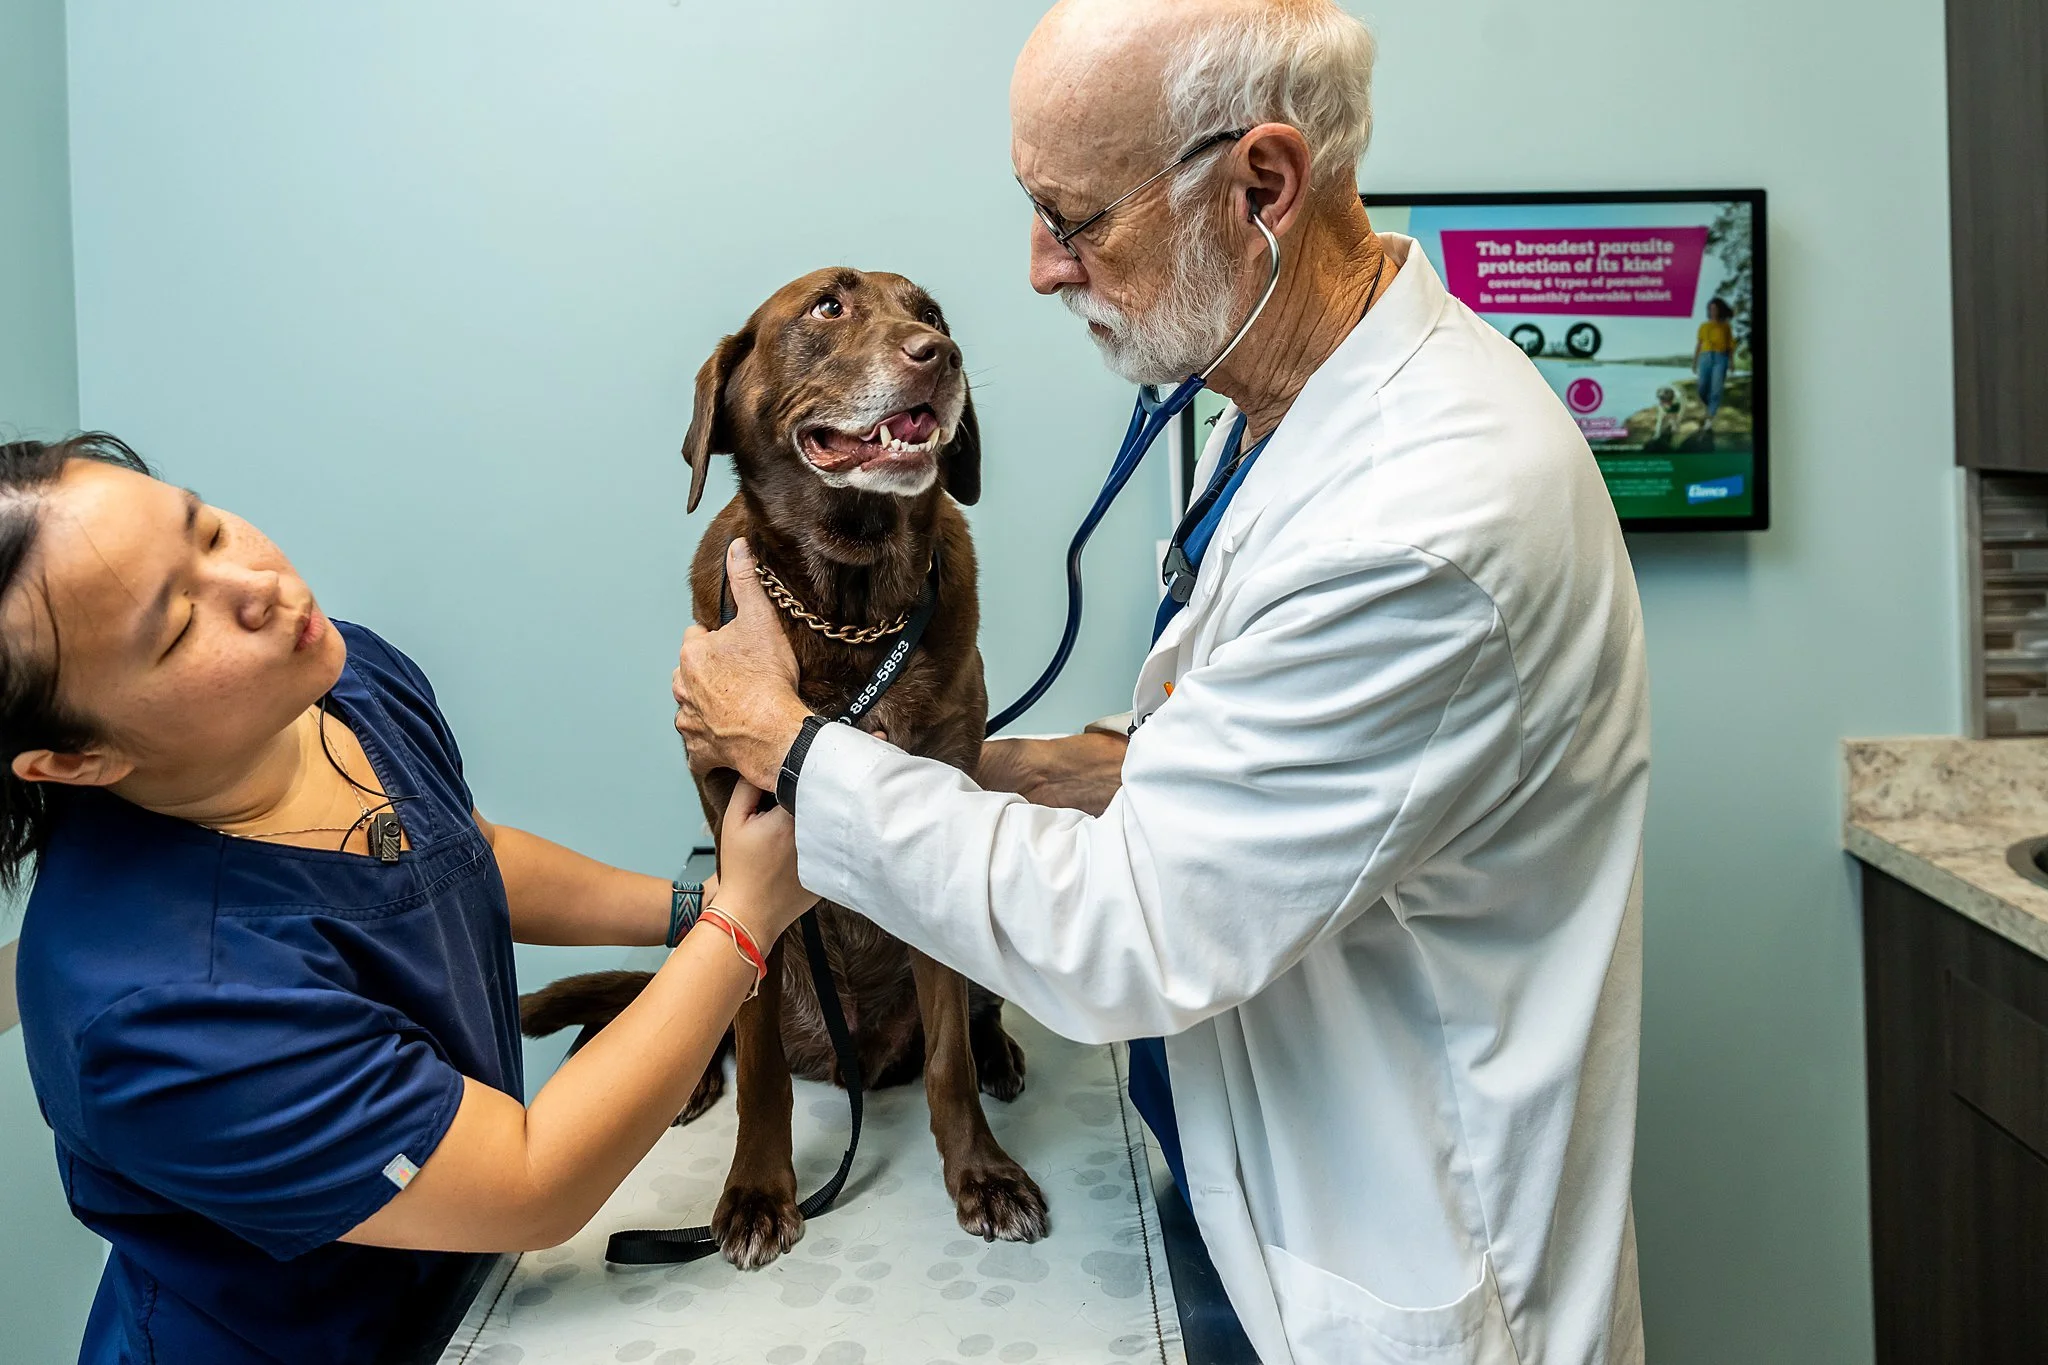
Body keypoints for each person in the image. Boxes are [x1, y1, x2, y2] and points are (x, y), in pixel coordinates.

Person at [671, 2, 1651, 1363]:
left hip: (1378, 1257)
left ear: (1260, 188)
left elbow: (1135, 931)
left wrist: (785, 740)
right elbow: (1268, 760)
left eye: (1072, 220)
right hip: (1232, 1159)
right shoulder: (1268, 411)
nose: (1036, 269)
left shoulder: (1424, 519)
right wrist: (1025, 765)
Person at [5, 434, 819, 1364]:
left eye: (207, 527)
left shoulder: (346, 684)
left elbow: (468, 855)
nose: (258, 583)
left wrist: (695, 903)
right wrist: (743, 921)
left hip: (472, 1293)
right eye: (181, 627)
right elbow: (530, 1180)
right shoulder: (157, 1010)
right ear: (75, 760)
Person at [1694, 296, 1736, 422]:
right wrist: (1694, 362)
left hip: (1720, 358)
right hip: (1705, 357)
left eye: (1715, 308)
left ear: (1720, 310)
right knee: (1702, 387)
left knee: (1716, 389)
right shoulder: (1703, 326)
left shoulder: (1726, 327)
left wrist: (1731, 361)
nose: (1713, 311)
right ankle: (1709, 406)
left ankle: (1710, 416)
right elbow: (1699, 344)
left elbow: (1730, 346)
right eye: (1711, 309)